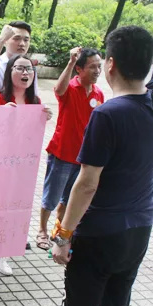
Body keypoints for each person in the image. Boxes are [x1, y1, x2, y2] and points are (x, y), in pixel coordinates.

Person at [50, 0, 153, 306]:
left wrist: (63, 236)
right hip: (139, 231)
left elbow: (86, 183)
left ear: (109, 64)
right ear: (146, 63)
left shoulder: (108, 114)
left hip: (97, 236)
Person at [0, 55, 52, 277]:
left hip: (20, 167)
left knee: (10, 209)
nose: (25, 73)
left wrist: (44, 117)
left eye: (29, 69)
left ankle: (1, 254)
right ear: (10, 71)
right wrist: (0, 114)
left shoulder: (35, 102)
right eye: (20, 68)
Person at [37, 47, 104, 251]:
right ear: (79, 69)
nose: (97, 71)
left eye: (99, 66)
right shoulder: (70, 87)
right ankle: (41, 229)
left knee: (68, 198)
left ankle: (58, 232)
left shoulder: (99, 93)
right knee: (52, 196)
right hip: (62, 153)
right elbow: (58, 90)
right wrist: (69, 61)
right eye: (92, 67)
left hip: (83, 157)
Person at [0, 21, 38, 98]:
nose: (22, 44)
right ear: (5, 41)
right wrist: (1, 39)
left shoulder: (29, 68)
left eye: (26, 40)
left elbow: (34, 96)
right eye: (16, 39)